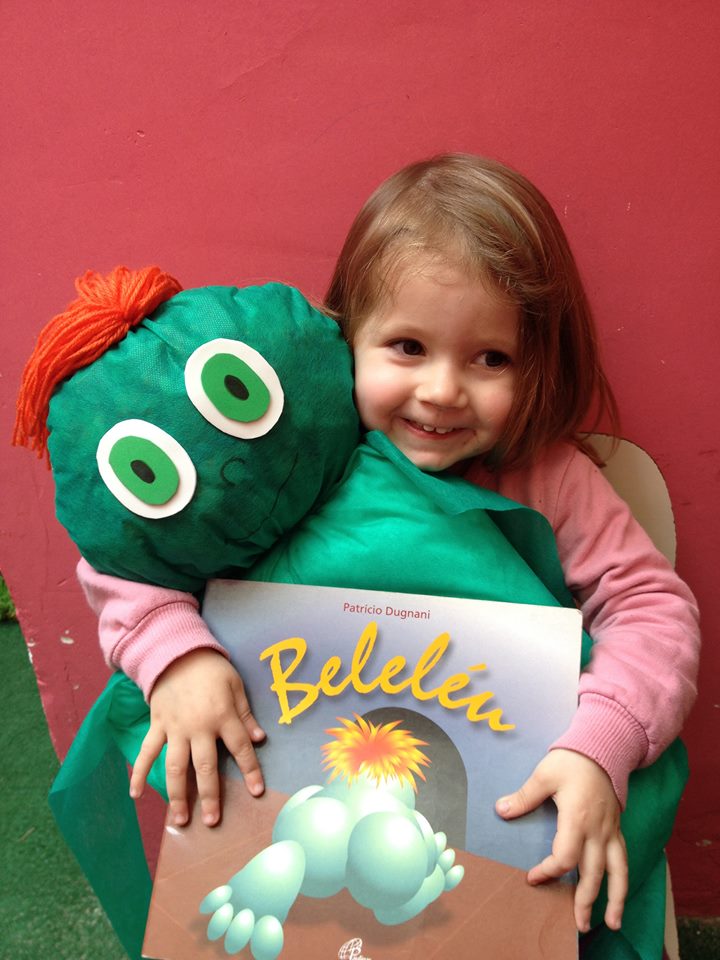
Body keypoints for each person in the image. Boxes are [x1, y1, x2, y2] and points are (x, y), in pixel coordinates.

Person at [77, 154, 700, 939]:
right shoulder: (294, 449)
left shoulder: (548, 477)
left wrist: (600, 741)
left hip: (497, 827)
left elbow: (650, 606)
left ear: (539, 364)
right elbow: (133, 547)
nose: (442, 390)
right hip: (289, 794)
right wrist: (174, 652)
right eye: (407, 347)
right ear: (346, 336)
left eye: (491, 358)